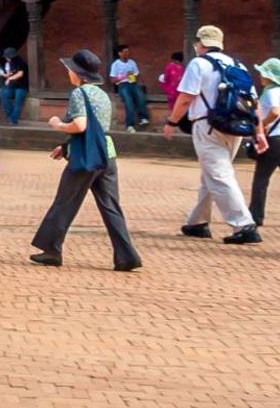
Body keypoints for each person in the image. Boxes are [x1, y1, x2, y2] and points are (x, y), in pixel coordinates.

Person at [29, 50, 142, 271]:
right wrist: (65, 146)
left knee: (65, 201)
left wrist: (57, 124)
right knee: (111, 207)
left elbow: (80, 125)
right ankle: (126, 255)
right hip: (106, 154)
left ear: (77, 73)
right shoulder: (104, 95)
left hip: (86, 157)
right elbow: (97, 129)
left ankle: (52, 249)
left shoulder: (79, 93)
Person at [164, 25, 260, 244]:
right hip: (236, 125)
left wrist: (172, 121)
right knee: (213, 173)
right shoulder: (237, 64)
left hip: (208, 125)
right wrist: (257, 130)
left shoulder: (199, 63)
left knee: (219, 174)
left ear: (201, 44)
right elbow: (253, 102)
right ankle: (197, 223)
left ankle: (244, 225)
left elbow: (187, 97)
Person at [249, 59, 280, 227]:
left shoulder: (270, 92)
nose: (261, 77)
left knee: (261, 180)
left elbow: (275, 111)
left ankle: (255, 216)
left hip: (274, 139)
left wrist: (265, 125)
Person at [108, 44, 150, 131]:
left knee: (141, 97)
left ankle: (143, 118)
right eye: (125, 52)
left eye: (128, 51)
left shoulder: (132, 62)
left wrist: (135, 78)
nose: (127, 53)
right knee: (129, 102)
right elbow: (112, 80)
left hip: (133, 83)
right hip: (122, 85)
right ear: (119, 53)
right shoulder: (115, 64)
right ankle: (130, 125)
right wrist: (124, 76)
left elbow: (137, 74)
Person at [0, 48, 29, 125]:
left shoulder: (20, 62)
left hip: (22, 86)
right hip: (13, 86)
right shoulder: (10, 63)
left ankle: (13, 120)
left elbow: (20, 74)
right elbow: (11, 72)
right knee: (3, 94)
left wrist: (9, 78)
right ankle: (10, 116)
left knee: (18, 103)